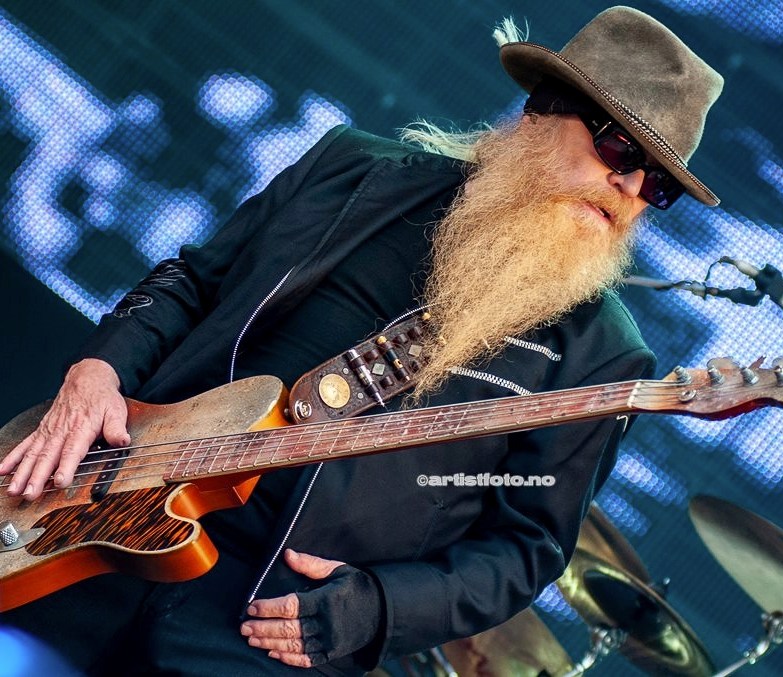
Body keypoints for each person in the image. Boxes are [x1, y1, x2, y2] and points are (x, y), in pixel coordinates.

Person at [1, 6, 723, 676]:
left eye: (656, 186)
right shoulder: (352, 170)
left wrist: (373, 608)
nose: (627, 185)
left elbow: (526, 547)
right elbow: (193, 278)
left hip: (265, 627)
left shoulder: (602, 357)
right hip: (103, 521)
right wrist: (98, 369)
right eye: (619, 147)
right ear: (540, 109)